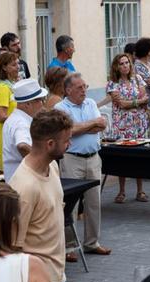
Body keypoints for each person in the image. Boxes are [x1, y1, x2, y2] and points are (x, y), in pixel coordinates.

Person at [9, 109, 72, 282]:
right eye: (66, 140)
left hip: (58, 278)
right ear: (50, 144)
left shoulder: (52, 167)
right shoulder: (24, 187)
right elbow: (13, 247)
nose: (69, 144)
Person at [55, 72, 110, 258]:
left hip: (94, 157)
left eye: (85, 86)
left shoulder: (91, 103)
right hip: (72, 158)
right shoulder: (60, 107)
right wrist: (91, 124)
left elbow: (101, 126)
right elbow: (67, 131)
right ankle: (70, 247)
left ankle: (92, 242)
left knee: (94, 202)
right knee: (71, 203)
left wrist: (82, 126)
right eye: (80, 87)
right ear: (68, 89)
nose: (84, 90)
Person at [108, 53, 150, 202]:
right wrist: (136, 102)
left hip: (138, 123)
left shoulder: (138, 79)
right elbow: (121, 104)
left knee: (138, 156)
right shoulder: (113, 83)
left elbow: (145, 99)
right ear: (116, 66)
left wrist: (133, 102)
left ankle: (140, 191)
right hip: (122, 125)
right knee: (123, 157)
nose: (125, 66)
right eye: (121, 63)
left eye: (127, 63)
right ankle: (121, 191)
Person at [2, 78, 47, 181]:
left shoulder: (16, 118)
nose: (42, 104)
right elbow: (22, 145)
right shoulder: (21, 123)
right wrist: (41, 161)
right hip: (24, 181)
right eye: (40, 100)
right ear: (27, 104)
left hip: (18, 179)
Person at [0, 51, 21, 167]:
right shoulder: (3, 88)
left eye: (18, 64)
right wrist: (21, 117)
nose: (17, 67)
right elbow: (1, 116)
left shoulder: (12, 86)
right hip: (6, 138)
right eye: (13, 65)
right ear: (4, 67)